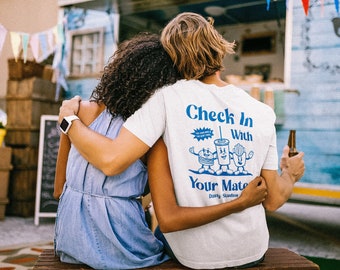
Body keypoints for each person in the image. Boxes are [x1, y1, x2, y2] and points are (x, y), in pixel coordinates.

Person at [58, 12, 305, 269]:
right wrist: (290, 175)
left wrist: (68, 120)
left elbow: (111, 160)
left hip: (194, 257)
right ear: (219, 50)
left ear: (172, 59)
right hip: (251, 252)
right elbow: (274, 200)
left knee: (155, 233)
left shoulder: (166, 98)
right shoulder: (263, 112)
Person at [53, 32, 182, 269]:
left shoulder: (77, 111)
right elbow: (160, 200)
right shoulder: (149, 133)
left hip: (70, 243)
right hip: (124, 246)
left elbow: (59, 189)